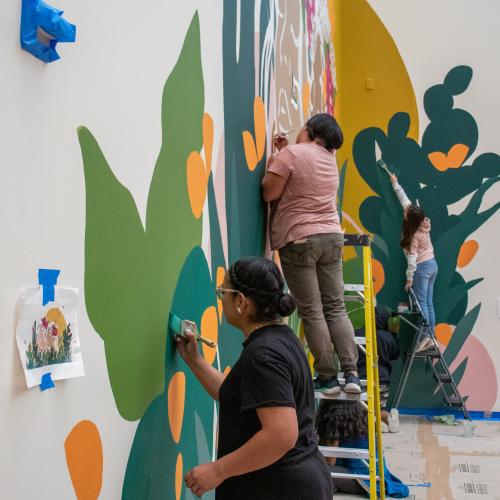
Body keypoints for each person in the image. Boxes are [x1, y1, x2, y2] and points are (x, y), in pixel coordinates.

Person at [176, 256, 332, 499]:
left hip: (281, 488)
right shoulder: (280, 339)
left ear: (241, 301)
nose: (221, 298)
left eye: (223, 292)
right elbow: (240, 398)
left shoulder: (264, 355)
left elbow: (282, 434)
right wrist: (195, 361)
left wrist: (218, 470)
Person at [261, 113, 360, 395]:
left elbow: (270, 192)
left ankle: (328, 378)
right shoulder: (330, 160)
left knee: (313, 311)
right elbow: (304, 175)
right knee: (335, 307)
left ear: (309, 131)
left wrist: (277, 158)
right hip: (331, 238)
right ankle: (351, 373)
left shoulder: (292, 154)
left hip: (300, 239)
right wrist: (285, 152)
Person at [315, 400, 409, 497]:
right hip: (376, 477)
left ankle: (331, 485)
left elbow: (330, 462)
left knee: (315, 468)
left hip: (361, 482)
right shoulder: (363, 416)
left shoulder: (335, 423)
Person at [390, 174, 437, 353]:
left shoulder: (414, 235)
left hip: (422, 268)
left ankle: (426, 337)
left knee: (422, 304)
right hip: (432, 266)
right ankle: (430, 336)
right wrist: (395, 184)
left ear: (410, 220)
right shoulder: (419, 220)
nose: (405, 210)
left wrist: (409, 280)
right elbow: (404, 200)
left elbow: (412, 260)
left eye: (407, 212)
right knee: (429, 303)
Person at [355, 305, 400, 432]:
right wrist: (394, 336)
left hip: (362, 379)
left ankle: (374, 422)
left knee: (363, 408)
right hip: (382, 380)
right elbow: (395, 355)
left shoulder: (358, 333)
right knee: (380, 408)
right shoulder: (388, 337)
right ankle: (388, 418)